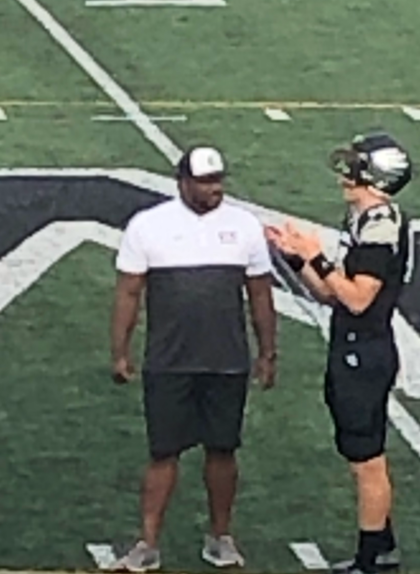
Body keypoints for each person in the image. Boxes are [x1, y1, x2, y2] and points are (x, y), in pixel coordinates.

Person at [109, 145, 278, 572]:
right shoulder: (148, 226)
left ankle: (221, 536)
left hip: (226, 360)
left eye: (218, 179)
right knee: (163, 452)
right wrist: (120, 350)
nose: (214, 188)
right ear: (182, 182)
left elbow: (260, 293)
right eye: (205, 181)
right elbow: (129, 292)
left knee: (223, 450)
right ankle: (147, 543)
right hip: (169, 360)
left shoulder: (244, 227)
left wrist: (268, 353)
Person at [267, 133, 413, 574]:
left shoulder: (381, 224)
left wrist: (318, 256)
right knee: (359, 455)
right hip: (352, 346)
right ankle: (381, 549)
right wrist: (298, 259)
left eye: (354, 166)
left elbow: (356, 299)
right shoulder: (366, 220)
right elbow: (331, 295)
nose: (344, 174)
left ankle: (373, 562)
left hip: (364, 351)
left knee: (367, 463)